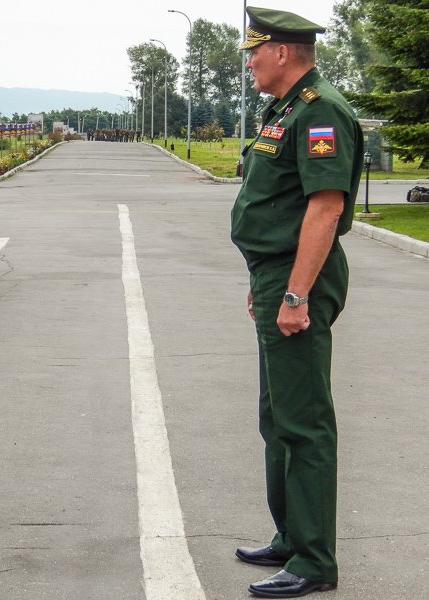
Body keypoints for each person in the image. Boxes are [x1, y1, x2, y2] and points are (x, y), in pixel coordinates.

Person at [230, 7, 363, 598]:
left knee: (304, 422)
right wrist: (265, 285)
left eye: (254, 51)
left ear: (282, 52)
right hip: (277, 276)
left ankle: (313, 561)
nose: (250, 61)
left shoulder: (320, 112)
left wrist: (293, 294)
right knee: (276, 417)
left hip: (297, 279)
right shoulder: (284, 108)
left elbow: (325, 209)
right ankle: (290, 535)